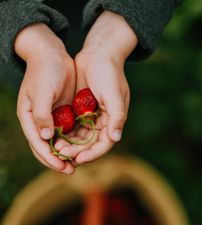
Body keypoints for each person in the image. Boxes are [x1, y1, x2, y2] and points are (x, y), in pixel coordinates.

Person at [0, 0, 180, 174]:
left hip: (110, 24)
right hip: (14, 32)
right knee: (39, 88)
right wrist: (28, 40)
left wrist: (117, 28)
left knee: (112, 78)